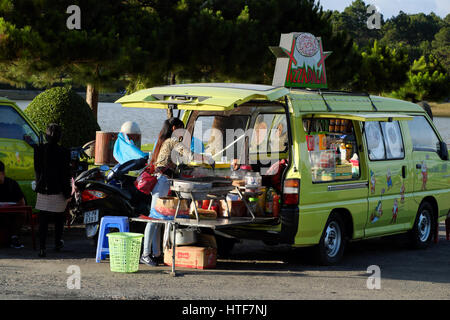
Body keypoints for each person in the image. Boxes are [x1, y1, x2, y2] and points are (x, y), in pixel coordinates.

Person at [140, 117, 212, 266]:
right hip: (161, 182)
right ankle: (145, 254)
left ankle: (156, 253)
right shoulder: (172, 141)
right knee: (154, 218)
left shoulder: (163, 141)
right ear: (174, 128)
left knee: (158, 219)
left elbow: (179, 162)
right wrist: (207, 159)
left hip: (161, 180)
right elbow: (190, 155)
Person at [33, 123, 71, 258]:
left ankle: (42, 248)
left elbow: (37, 170)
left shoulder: (39, 149)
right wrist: (68, 191)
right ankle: (57, 243)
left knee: (42, 221)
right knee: (59, 218)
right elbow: (65, 173)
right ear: (60, 136)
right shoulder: (65, 152)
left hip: (43, 188)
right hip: (59, 189)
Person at [0, 160, 25, 248]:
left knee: (22, 213)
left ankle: (14, 237)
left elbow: (22, 202)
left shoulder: (12, 184)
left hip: (11, 212)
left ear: (3, 173)